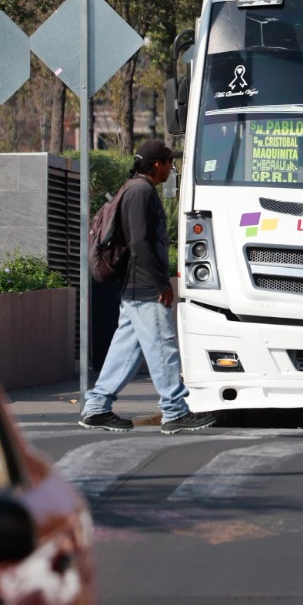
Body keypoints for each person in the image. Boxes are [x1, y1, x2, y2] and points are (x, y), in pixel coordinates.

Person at [80, 139, 215, 434]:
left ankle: (97, 407)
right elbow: (140, 242)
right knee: (163, 348)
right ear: (157, 164)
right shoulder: (141, 192)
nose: (171, 167)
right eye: (169, 162)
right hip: (145, 286)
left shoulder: (134, 189)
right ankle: (175, 411)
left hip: (135, 286)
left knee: (125, 350)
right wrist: (162, 283)